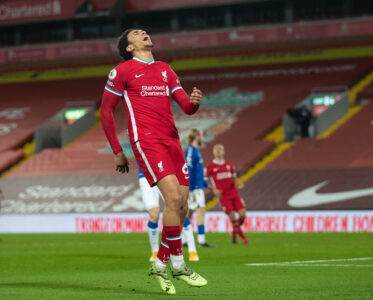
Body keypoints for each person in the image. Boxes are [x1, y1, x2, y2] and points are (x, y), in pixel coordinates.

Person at [100, 28, 207, 295]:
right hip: (146, 141)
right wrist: (117, 150)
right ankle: (179, 265)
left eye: (144, 31)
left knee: (181, 206)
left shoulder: (164, 69)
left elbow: (185, 106)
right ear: (129, 47)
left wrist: (194, 103)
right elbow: (106, 111)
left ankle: (160, 263)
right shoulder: (122, 71)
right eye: (137, 33)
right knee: (173, 201)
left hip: (172, 140)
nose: (144, 33)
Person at [138, 166, 199, 262]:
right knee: (154, 215)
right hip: (145, 177)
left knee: (178, 209)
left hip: (163, 174)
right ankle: (155, 252)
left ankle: (192, 250)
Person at [205, 144, 248, 244]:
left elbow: (234, 178)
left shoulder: (229, 164)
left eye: (220, 149)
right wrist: (213, 190)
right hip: (223, 196)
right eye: (216, 149)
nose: (218, 150)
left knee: (242, 215)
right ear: (213, 152)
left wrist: (238, 182)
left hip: (234, 193)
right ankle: (243, 238)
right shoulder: (210, 167)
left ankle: (234, 231)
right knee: (232, 216)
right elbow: (205, 181)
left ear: (224, 152)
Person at [185, 128, 215, 247]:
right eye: (201, 135)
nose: (202, 138)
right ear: (197, 136)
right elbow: (188, 169)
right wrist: (188, 188)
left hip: (197, 186)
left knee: (189, 213)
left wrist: (206, 184)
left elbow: (197, 172)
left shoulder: (194, 151)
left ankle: (183, 239)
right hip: (194, 188)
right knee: (200, 211)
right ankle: (201, 241)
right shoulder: (191, 151)